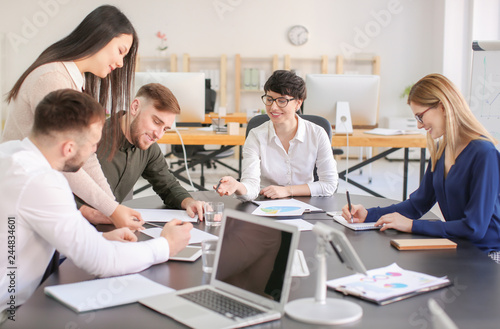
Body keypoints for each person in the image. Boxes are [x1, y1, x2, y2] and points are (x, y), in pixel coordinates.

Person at [0, 89, 192, 322]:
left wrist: (98, 240)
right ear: (69, 148)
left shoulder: (10, 154)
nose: (94, 152)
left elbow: (38, 231)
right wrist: (166, 245)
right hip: (10, 311)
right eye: (92, 145)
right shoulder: (44, 182)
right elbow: (104, 262)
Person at [2, 5, 143, 230]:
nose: (120, 64)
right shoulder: (53, 78)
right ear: (101, 37)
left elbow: (86, 156)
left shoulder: (73, 81)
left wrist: (111, 207)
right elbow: (66, 159)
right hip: (18, 202)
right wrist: (112, 209)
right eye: (120, 51)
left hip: (35, 195)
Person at [341, 73, 500, 263]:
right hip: (458, 246)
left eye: (420, 116)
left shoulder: (484, 153)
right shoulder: (443, 148)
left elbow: (474, 227)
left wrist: (412, 226)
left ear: (442, 106)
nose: (418, 125)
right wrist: (369, 214)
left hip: (486, 256)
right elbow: (419, 203)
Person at [78, 83, 205, 222]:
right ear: (135, 107)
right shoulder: (93, 137)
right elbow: (58, 187)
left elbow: (168, 185)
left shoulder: (149, 148)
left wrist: (188, 202)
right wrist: (90, 214)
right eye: (156, 122)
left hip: (110, 230)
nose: (159, 135)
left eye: (165, 129)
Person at [215, 70, 338, 200]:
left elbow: (329, 184)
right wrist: (238, 186)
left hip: (306, 202)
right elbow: (251, 186)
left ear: (298, 103)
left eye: (282, 101)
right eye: (269, 99)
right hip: (266, 203)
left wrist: (287, 191)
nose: (273, 107)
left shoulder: (317, 134)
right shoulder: (256, 136)